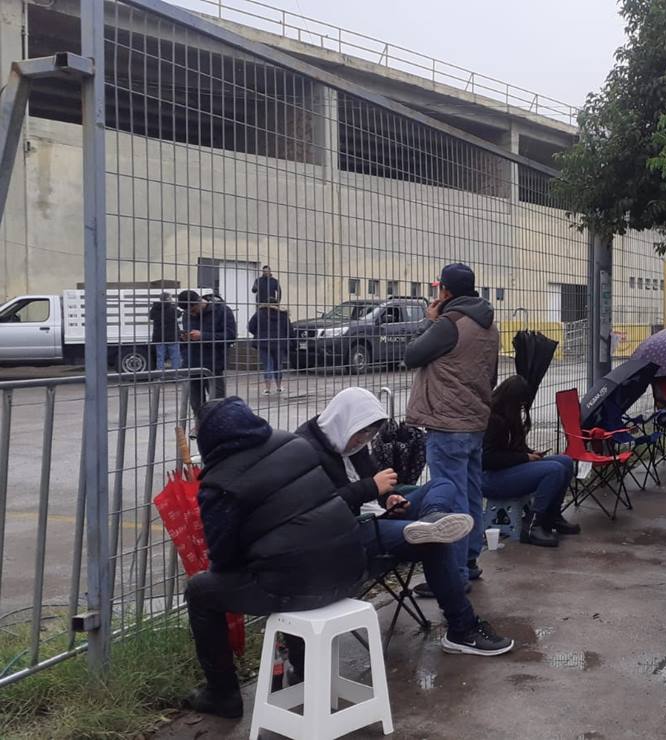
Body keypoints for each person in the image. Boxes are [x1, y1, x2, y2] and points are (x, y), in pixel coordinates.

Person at [183, 397, 366, 719]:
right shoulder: (294, 444)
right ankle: (303, 668)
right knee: (291, 562)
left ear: (210, 439)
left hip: (302, 587)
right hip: (351, 571)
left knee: (201, 592)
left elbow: (223, 557)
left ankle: (222, 693)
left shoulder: (219, 483)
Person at [294, 387, 515, 655]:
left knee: (443, 484)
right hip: (343, 533)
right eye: (361, 433)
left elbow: (378, 483)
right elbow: (314, 511)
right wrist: (371, 488)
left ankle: (433, 517)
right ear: (345, 421)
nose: (363, 440)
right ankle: (462, 628)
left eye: (369, 434)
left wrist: (391, 498)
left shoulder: (351, 441)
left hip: (377, 516)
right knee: (432, 540)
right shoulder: (304, 450)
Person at [405, 263, 499, 586]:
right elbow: (492, 376)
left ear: (445, 292)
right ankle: (469, 561)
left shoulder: (449, 324)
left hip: (448, 425)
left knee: (451, 499)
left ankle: (454, 576)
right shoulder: (488, 325)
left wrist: (429, 323)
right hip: (475, 422)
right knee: (471, 494)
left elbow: (412, 355)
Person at [483, 376, 580, 548]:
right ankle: (533, 525)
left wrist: (529, 452)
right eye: (519, 404)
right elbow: (488, 459)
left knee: (565, 461)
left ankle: (553, 515)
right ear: (510, 400)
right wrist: (524, 458)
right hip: (491, 479)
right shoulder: (492, 420)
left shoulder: (507, 416)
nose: (521, 409)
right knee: (554, 470)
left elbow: (512, 446)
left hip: (508, 471)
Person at [178, 290, 237, 418]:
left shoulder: (222, 310)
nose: (191, 314)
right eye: (188, 312)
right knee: (196, 404)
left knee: (217, 404)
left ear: (199, 302)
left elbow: (230, 336)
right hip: (192, 364)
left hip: (213, 365)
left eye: (193, 311)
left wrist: (203, 336)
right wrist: (185, 340)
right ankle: (200, 427)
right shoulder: (187, 314)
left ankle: (218, 429)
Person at [247, 299, 292, 396]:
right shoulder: (283, 315)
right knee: (278, 365)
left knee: (268, 365)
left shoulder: (259, 314)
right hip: (279, 344)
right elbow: (289, 330)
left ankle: (267, 389)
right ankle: (279, 387)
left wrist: (259, 334)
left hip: (263, 343)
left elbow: (251, 327)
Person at [149, 292, 182, 370]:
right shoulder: (172, 308)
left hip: (159, 336)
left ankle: (161, 375)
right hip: (172, 336)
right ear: (167, 298)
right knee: (175, 356)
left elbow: (151, 316)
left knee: (160, 357)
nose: (172, 299)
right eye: (171, 297)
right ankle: (176, 375)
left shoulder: (155, 308)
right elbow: (179, 314)